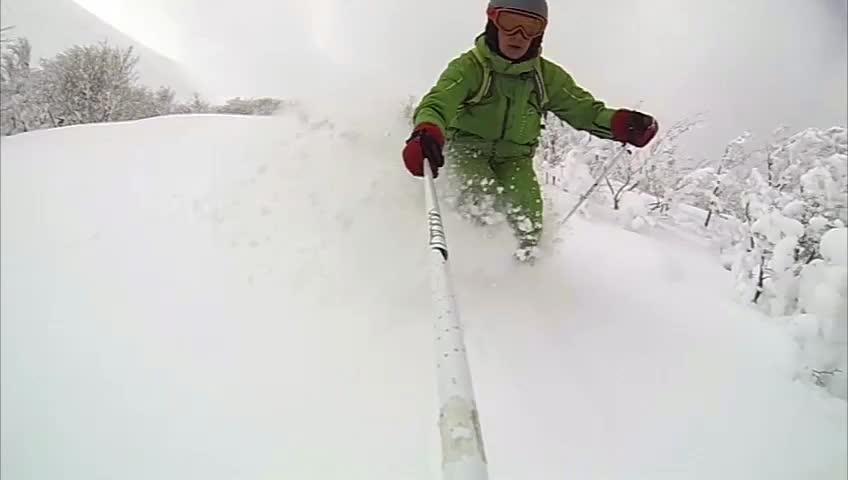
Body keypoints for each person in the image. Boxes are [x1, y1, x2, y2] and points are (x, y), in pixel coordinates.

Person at [401, 0, 659, 263]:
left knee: (528, 220)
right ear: (493, 23)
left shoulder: (545, 77)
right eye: (510, 23)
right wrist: (427, 131)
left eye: (530, 27)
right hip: (467, 150)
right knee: (481, 203)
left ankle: (523, 274)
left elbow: (584, 110)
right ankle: (472, 268)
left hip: (515, 159)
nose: (519, 36)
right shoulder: (470, 68)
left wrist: (619, 123)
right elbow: (439, 102)